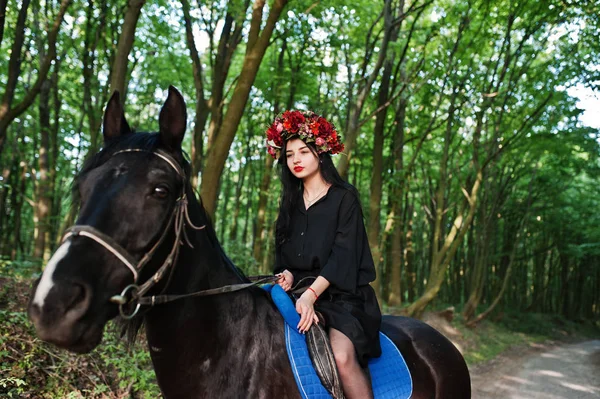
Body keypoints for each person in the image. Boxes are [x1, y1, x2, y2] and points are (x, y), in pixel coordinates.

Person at [267, 110, 381, 399]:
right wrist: (288, 273)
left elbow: (344, 256)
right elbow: (283, 254)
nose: (296, 160)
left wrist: (311, 295)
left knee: (341, 358)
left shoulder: (344, 198)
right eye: (290, 154)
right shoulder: (290, 203)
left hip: (343, 298)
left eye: (304, 151)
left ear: (320, 153)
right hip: (299, 294)